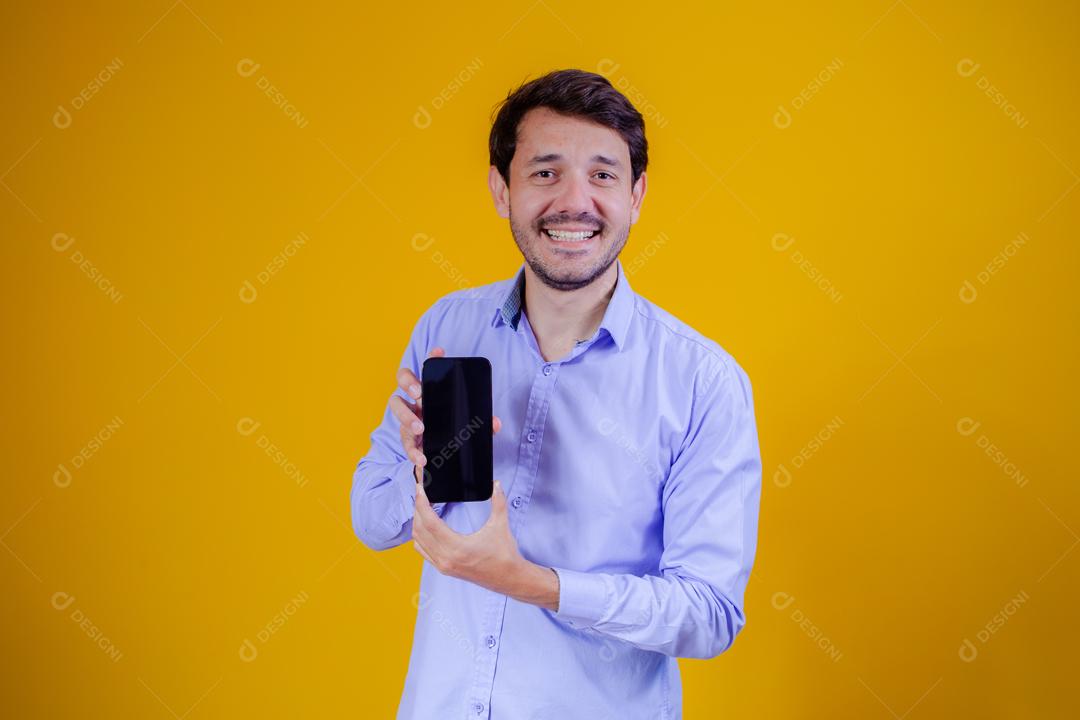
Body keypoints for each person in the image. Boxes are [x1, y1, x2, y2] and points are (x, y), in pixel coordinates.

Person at [351, 68, 762, 720]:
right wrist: (428, 472)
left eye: (602, 174)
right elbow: (372, 519)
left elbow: (708, 615)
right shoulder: (448, 329)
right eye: (545, 172)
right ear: (501, 189)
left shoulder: (701, 382)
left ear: (637, 194)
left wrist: (529, 583)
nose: (574, 201)